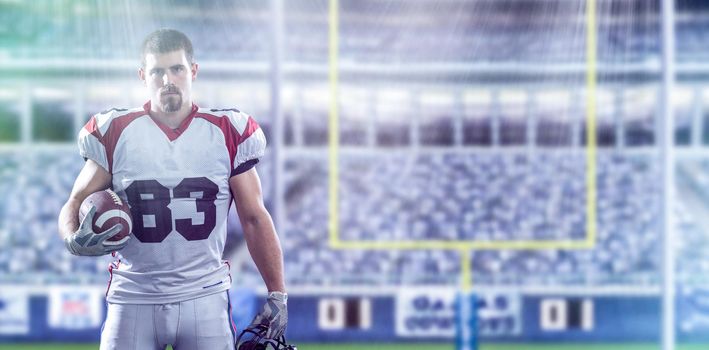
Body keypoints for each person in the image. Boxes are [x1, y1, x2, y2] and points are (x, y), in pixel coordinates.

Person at [57, 28, 287, 350]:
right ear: (143, 76)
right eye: (157, 71)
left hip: (203, 295)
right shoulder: (114, 130)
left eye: (177, 69)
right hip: (133, 295)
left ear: (193, 70)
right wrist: (71, 237)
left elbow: (254, 218)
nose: (168, 79)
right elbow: (75, 200)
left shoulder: (227, 131)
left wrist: (277, 292)